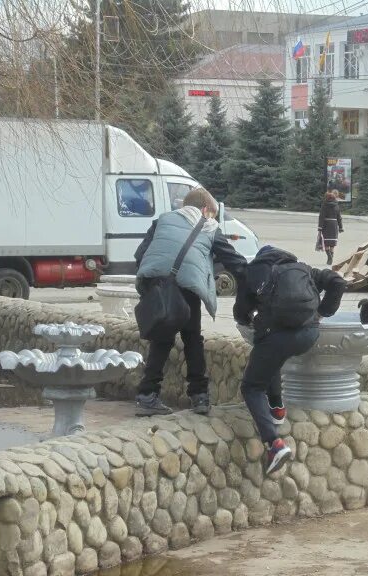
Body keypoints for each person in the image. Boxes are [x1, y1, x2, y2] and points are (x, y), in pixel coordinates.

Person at [134, 188, 247, 416]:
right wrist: (256, 279)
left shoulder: (162, 221)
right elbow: (234, 261)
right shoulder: (208, 226)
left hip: (155, 285)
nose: (212, 219)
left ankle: (147, 395)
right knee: (192, 339)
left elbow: (140, 254)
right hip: (186, 288)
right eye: (212, 214)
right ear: (206, 210)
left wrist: (157, 282)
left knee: (162, 339)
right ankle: (199, 397)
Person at [234, 246, 345, 475]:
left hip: (275, 337)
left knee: (251, 386)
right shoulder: (303, 269)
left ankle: (275, 445)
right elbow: (338, 282)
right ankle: (276, 408)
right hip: (308, 335)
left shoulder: (255, 273)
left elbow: (240, 313)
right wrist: (321, 312)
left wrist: (251, 316)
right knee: (271, 358)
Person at [317, 190, 344, 266]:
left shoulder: (324, 205)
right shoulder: (336, 205)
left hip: (326, 224)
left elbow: (321, 217)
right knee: (332, 243)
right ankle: (331, 257)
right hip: (334, 225)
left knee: (326, 242)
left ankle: (329, 257)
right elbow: (339, 217)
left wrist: (320, 227)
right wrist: (341, 227)